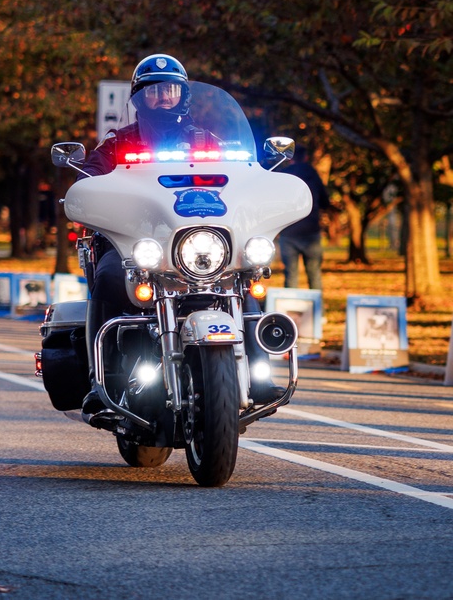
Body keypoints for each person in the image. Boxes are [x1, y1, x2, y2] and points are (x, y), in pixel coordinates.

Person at [77, 54, 279, 423]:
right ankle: (100, 380)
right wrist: (88, 186)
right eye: (153, 91)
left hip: (201, 243)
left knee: (245, 277)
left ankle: (259, 371)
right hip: (135, 245)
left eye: (170, 90)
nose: (162, 97)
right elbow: (86, 181)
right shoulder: (118, 144)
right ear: (139, 99)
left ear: (183, 95)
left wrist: (261, 179)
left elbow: (246, 178)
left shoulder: (208, 142)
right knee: (106, 277)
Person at [278, 145, 331, 291]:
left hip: (288, 231)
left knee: (291, 275)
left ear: (290, 158)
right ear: (306, 157)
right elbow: (325, 201)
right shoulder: (312, 174)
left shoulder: (284, 175)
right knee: (314, 274)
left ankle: (289, 304)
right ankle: (317, 304)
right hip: (311, 230)